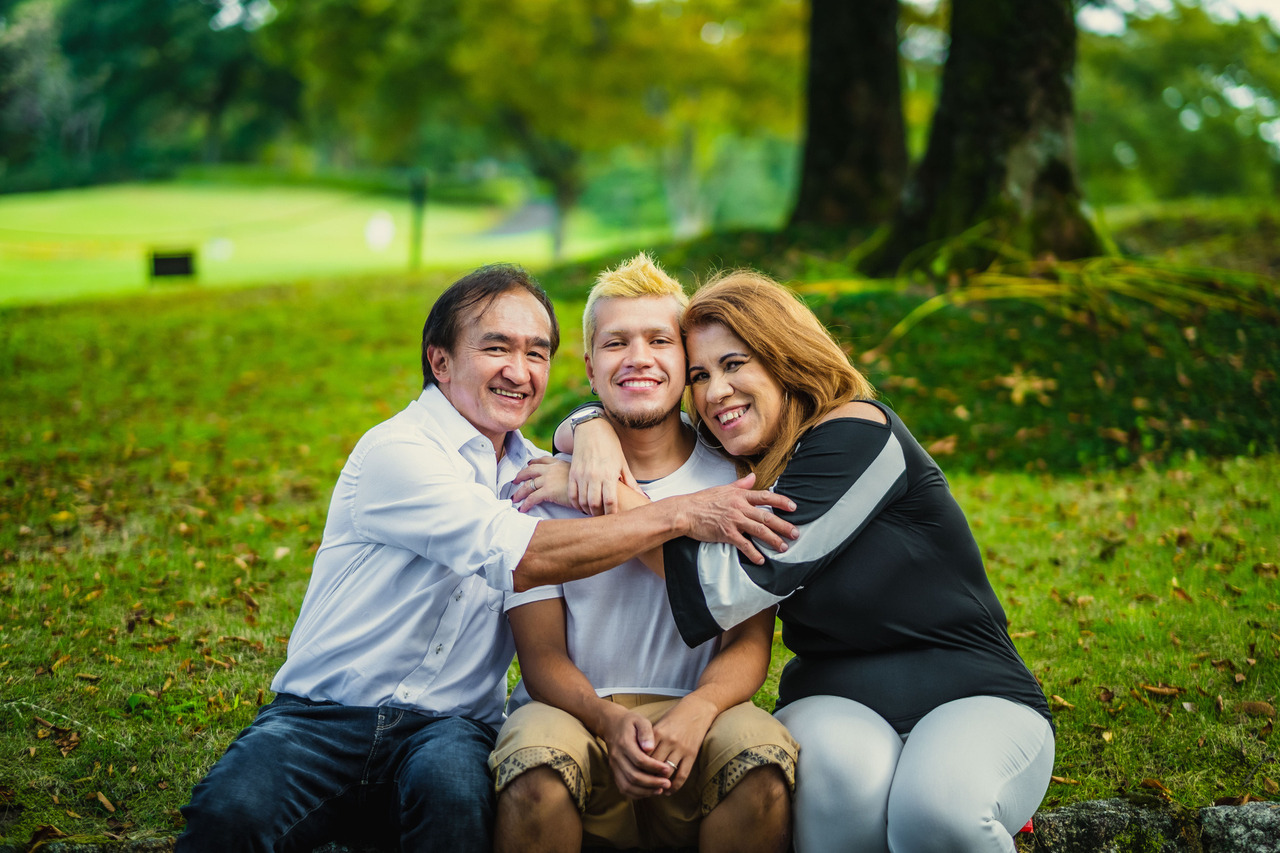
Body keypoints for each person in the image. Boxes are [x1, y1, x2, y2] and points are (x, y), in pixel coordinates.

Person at [174, 264, 799, 853]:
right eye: (496, 347)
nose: (518, 370)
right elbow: (524, 561)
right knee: (229, 817)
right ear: (439, 362)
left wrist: (587, 431)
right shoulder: (404, 452)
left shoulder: (536, 470)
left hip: (447, 727)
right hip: (322, 716)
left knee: (456, 810)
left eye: (535, 353)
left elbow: (742, 623)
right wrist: (678, 511)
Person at [567, 270, 1055, 853]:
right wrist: (587, 427)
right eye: (699, 375)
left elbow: (731, 583)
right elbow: (641, 414)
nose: (715, 391)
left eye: (735, 364)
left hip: (971, 692)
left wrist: (605, 499)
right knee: (839, 801)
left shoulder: (857, 433)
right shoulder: (741, 465)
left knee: (936, 814)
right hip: (833, 700)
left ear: (785, 358)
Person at [489, 254, 797, 853]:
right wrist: (606, 722)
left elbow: (750, 641)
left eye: (660, 340)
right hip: (574, 710)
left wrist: (698, 711)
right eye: (615, 343)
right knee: (533, 763)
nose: (638, 358)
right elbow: (540, 654)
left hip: (699, 709)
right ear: (588, 365)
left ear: (686, 360)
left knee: (760, 757)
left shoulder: (736, 478)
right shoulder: (545, 484)